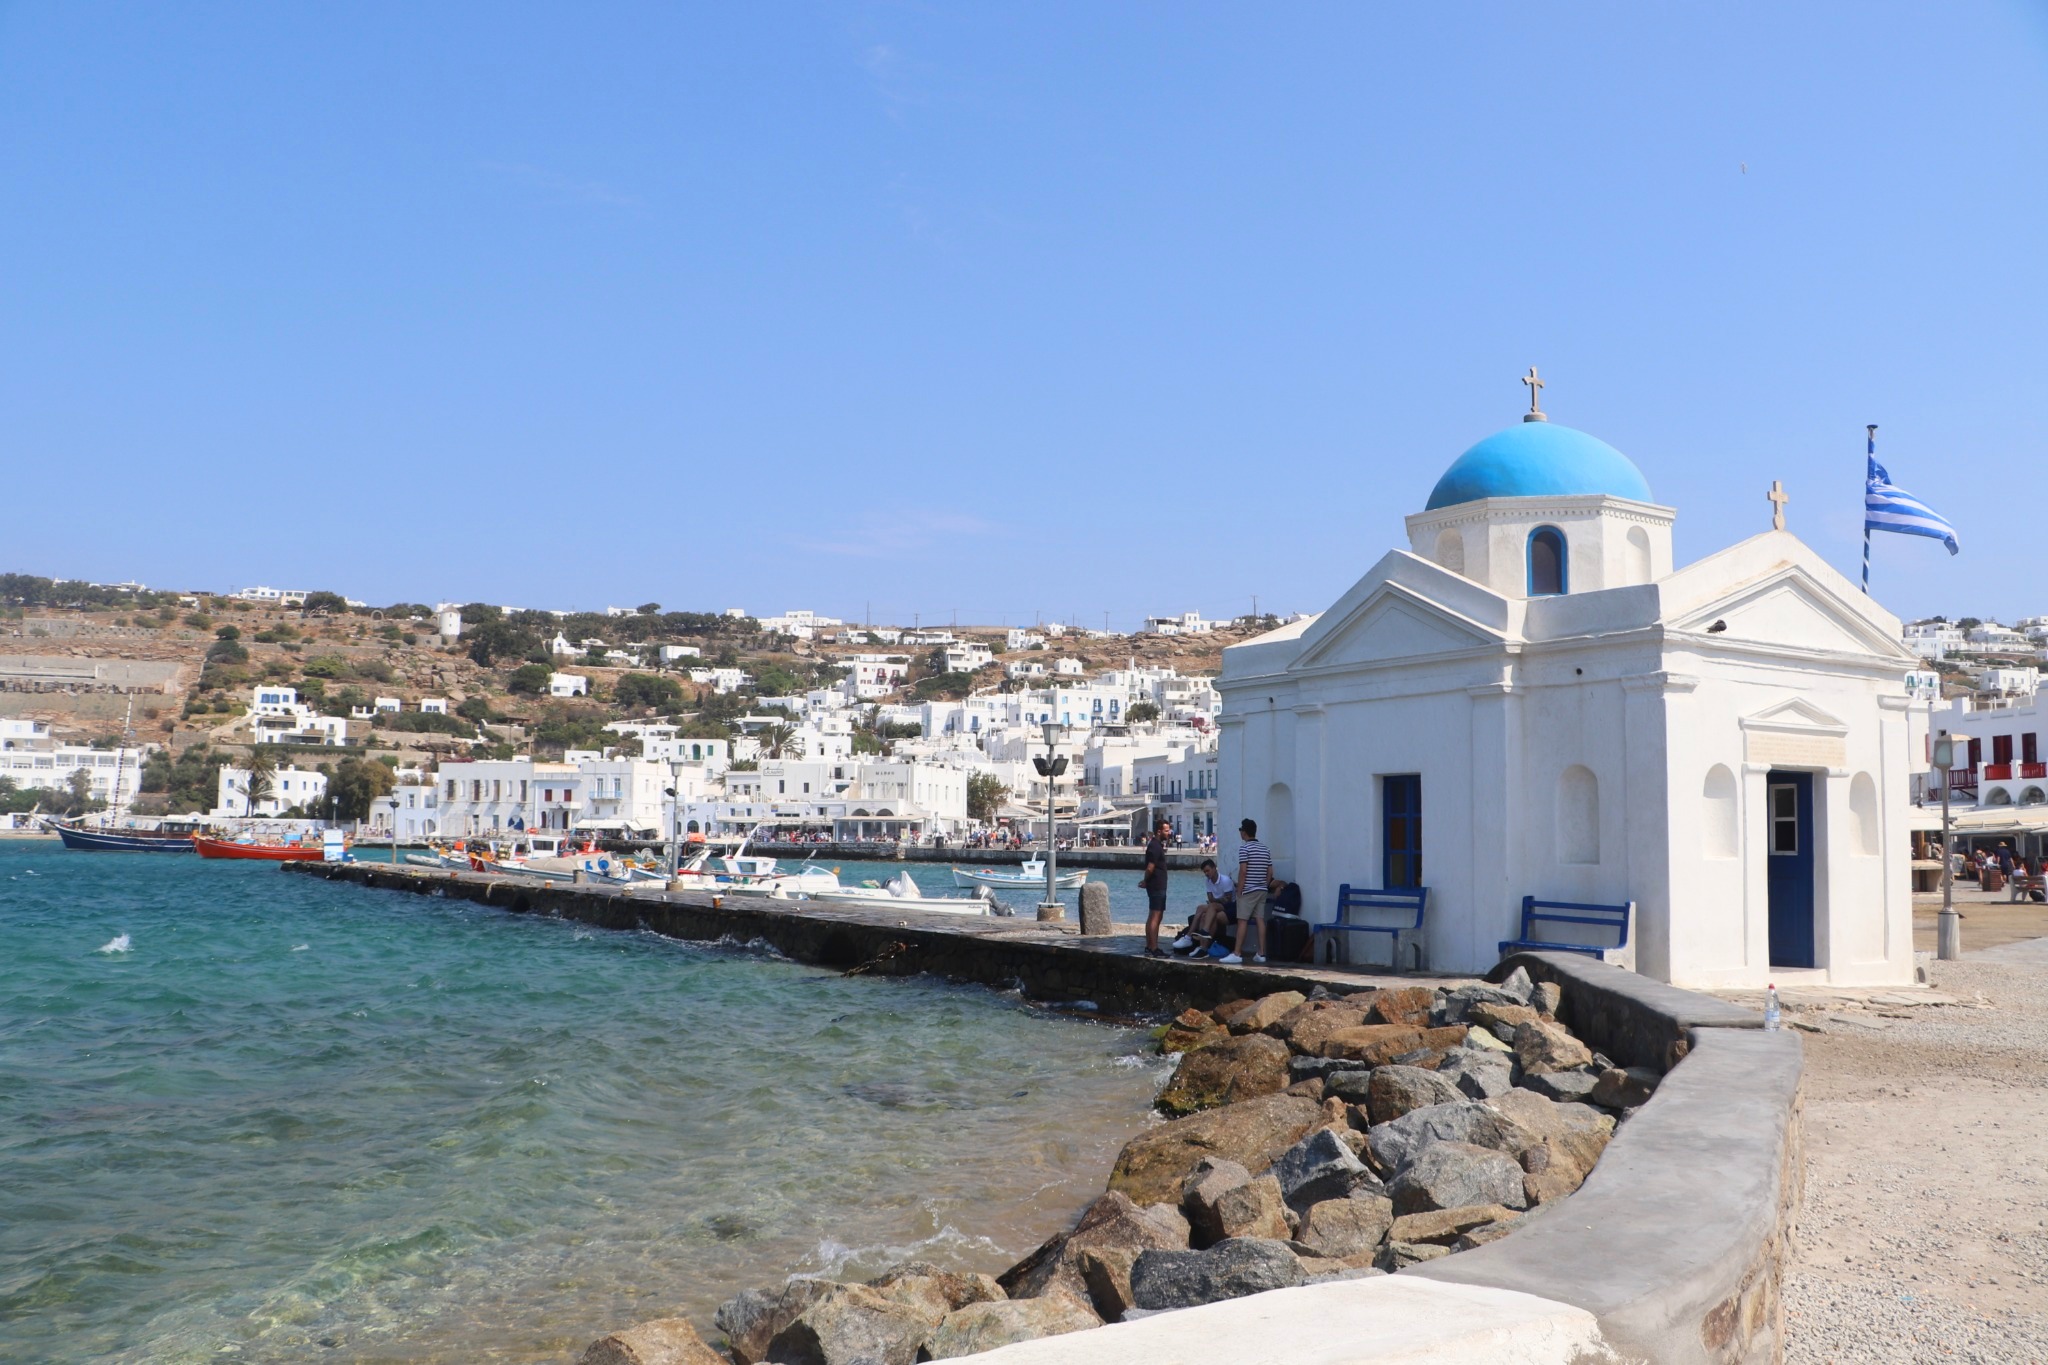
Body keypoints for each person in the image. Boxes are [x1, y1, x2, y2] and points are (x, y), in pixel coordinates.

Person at [1221, 818, 1272, 965]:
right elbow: (1270, 871)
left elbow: (1243, 871)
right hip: (1262, 889)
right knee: (1260, 919)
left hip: (1248, 890)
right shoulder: (1265, 849)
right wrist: (1264, 885)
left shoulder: (1245, 849)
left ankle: (1237, 953)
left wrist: (1240, 890)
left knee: (1242, 920)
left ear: (1244, 832)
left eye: (1241, 831)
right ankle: (1261, 953)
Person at [1172, 858, 1235, 953]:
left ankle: (1199, 935)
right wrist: (1217, 900)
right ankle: (1193, 940)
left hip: (1228, 906)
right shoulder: (1208, 881)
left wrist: (1216, 901)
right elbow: (1210, 898)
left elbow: (1228, 900)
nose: (1206, 873)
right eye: (1204, 872)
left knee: (1211, 906)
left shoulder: (1225, 880)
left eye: (1208, 871)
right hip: (1217, 905)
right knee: (1202, 911)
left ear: (1214, 869)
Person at [1140, 817, 1172, 957]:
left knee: (1153, 915)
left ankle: (1149, 945)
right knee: (1156, 915)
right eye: (1166, 830)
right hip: (1157, 885)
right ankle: (1154, 947)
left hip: (1156, 885)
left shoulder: (1155, 845)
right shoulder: (1155, 846)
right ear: (1159, 831)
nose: (1169, 832)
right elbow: (1150, 867)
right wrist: (1145, 880)